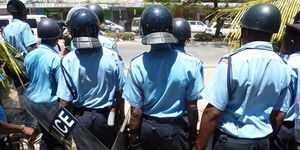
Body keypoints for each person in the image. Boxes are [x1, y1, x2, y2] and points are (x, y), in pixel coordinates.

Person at [193, 4, 292, 150]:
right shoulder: (284, 66)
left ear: (246, 30)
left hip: (232, 142)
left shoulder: (232, 62)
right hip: (262, 142)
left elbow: (213, 113)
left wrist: (199, 146)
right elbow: (279, 115)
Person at [122, 4, 204, 150]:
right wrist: (192, 133)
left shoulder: (136, 64)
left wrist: (133, 139)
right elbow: (192, 106)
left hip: (147, 129)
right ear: (171, 29)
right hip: (175, 130)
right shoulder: (191, 63)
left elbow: (136, 111)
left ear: (143, 30)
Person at [56, 8, 125, 149]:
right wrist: (121, 118)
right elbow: (120, 93)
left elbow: (64, 101)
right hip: (106, 118)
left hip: (81, 119)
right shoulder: (112, 57)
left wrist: (63, 127)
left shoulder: (68, 60)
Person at [24, 18, 68, 150]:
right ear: (56, 39)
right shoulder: (55, 59)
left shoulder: (30, 56)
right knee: (55, 142)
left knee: (45, 136)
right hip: (51, 108)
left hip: (34, 104)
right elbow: (62, 89)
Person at [270, 24, 300, 150]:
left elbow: (282, 109)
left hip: (284, 128)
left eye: (283, 39)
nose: (281, 43)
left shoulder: (289, 66)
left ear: (291, 43)